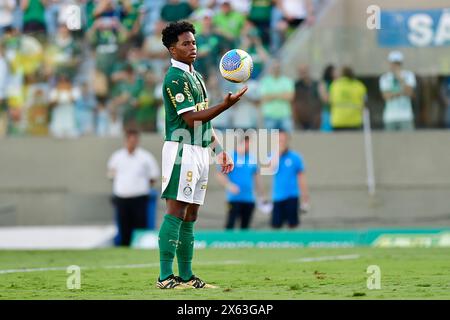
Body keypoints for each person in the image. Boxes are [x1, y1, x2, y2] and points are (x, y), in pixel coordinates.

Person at [156, 21, 248, 289]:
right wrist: (225, 105)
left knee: (191, 213)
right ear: (173, 50)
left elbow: (204, 125)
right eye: (185, 43)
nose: (192, 47)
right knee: (175, 210)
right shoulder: (174, 78)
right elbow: (191, 119)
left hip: (199, 151)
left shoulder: (195, 77)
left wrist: (219, 151)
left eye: (193, 42)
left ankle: (186, 276)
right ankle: (164, 277)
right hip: (181, 149)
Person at [107, 128, 160, 246]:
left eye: (135, 140)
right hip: (122, 197)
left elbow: (153, 176)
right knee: (124, 226)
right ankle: (124, 247)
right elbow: (111, 174)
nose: (132, 142)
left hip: (139, 198)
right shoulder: (117, 157)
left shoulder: (146, 157)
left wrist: (141, 186)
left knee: (140, 225)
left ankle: (140, 247)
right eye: (130, 140)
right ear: (125, 140)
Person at [215, 135, 266, 230]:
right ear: (240, 143)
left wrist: (261, 194)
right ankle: (228, 243)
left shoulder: (251, 158)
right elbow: (220, 174)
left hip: (249, 198)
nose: (247, 146)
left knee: (245, 225)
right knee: (231, 223)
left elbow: (257, 176)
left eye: (249, 144)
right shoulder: (231, 157)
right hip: (234, 198)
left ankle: (244, 243)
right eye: (246, 143)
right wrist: (229, 185)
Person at [269, 130, 310, 229]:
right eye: (279, 140)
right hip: (278, 196)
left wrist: (305, 197)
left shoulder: (295, 157)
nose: (281, 142)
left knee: (292, 225)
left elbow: (301, 178)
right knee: (276, 225)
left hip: (292, 196)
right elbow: (270, 169)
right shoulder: (272, 156)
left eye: (283, 140)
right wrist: (278, 153)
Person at [379, 51, 417, 131]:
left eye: (397, 63)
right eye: (393, 63)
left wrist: (400, 78)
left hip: (406, 116)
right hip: (390, 117)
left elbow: (410, 93)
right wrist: (401, 93)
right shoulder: (385, 77)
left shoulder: (409, 75)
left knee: (408, 141)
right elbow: (386, 97)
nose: (395, 66)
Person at [259, 60, 295, 132]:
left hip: (285, 115)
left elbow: (290, 97)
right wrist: (281, 94)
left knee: (290, 138)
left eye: (278, 68)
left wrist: (272, 95)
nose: (276, 69)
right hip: (270, 115)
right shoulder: (265, 81)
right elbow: (264, 97)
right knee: (269, 140)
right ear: (271, 68)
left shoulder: (287, 81)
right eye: (274, 68)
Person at [329, 66, 367, 131]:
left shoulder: (334, 85)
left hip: (338, 120)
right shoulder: (359, 86)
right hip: (355, 121)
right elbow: (364, 103)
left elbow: (331, 102)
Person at [318, 64, 336, 132]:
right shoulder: (324, 83)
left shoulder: (339, 84)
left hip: (339, 113)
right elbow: (325, 99)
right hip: (328, 112)